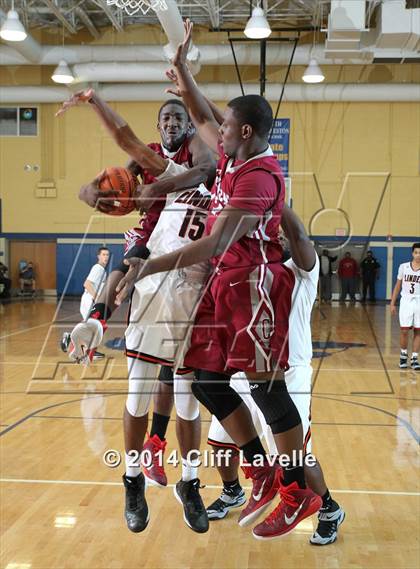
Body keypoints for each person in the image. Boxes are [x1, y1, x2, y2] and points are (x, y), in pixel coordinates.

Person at [117, 19, 322, 541]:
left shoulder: (256, 177)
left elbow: (214, 245)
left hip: (255, 286)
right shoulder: (236, 157)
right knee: (203, 377)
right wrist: (183, 70)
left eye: (227, 127)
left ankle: (299, 491)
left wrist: (149, 265)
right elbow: (205, 114)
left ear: (245, 133)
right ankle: (261, 469)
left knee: (267, 390)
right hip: (225, 288)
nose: (215, 131)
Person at [57, 90, 216, 533]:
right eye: (165, 117)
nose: (172, 124)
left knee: (188, 403)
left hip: (195, 295)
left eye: (180, 118)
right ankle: (131, 480)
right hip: (153, 278)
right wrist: (92, 189)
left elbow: (204, 167)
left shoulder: (215, 176)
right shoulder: (168, 167)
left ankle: (190, 481)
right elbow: (126, 141)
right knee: (137, 394)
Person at [206, 207, 345, 545]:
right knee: (221, 442)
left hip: (288, 374)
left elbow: (298, 236)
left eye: (278, 233)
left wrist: (271, 200)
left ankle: (328, 508)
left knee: (295, 457)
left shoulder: (302, 270)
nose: (276, 237)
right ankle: (233, 492)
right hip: (246, 367)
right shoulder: (247, 271)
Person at [390, 243, 420, 371]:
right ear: (412, 253)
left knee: (418, 331)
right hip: (406, 301)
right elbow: (397, 286)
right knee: (404, 330)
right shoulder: (403, 267)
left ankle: (414, 358)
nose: (418, 255)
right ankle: (403, 356)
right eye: (416, 252)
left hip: (419, 301)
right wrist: (392, 303)